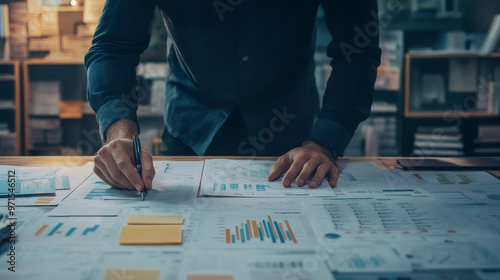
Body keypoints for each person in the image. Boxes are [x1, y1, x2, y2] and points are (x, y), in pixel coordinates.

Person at [84, 0, 381, 193]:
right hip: (191, 128)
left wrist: (325, 141)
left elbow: (356, 49)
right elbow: (113, 45)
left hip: (293, 136)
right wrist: (119, 133)